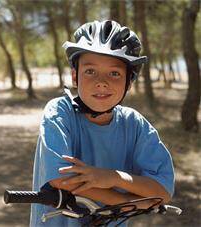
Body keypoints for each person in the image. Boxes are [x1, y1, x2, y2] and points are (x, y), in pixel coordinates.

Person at [30, 20, 174, 227]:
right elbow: (61, 180)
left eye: (114, 73)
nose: (102, 82)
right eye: (90, 71)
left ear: (129, 82)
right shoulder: (59, 112)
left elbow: (162, 191)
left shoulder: (135, 125)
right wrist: (126, 203)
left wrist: (114, 178)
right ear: (75, 76)